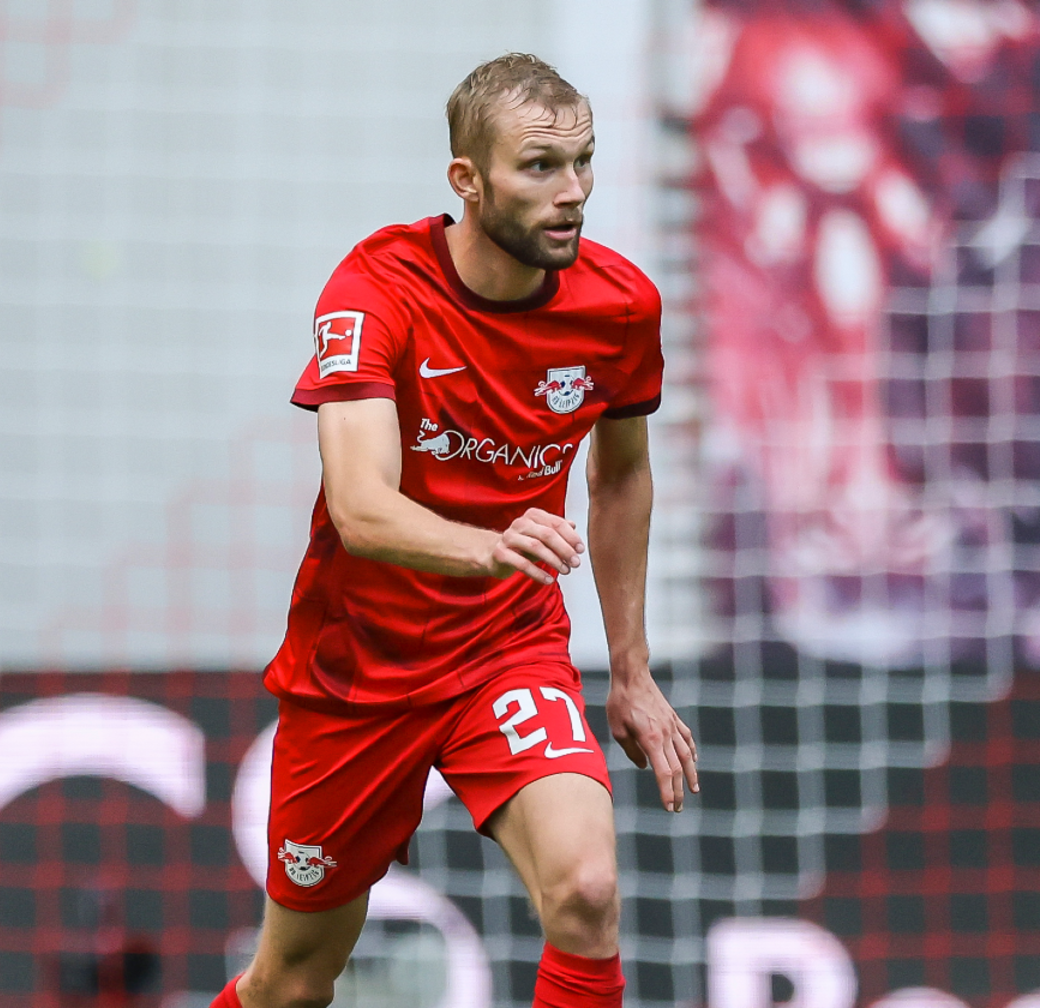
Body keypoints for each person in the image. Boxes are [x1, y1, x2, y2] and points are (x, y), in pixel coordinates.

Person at [210, 53, 699, 1008]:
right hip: (360, 671)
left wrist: (631, 671)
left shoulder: (620, 307)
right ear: (466, 180)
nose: (573, 192)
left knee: (587, 892)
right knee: (292, 982)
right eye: (540, 167)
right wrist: (490, 547)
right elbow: (360, 506)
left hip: (505, 653)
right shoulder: (376, 290)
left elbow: (621, 475)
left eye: (584, 162)